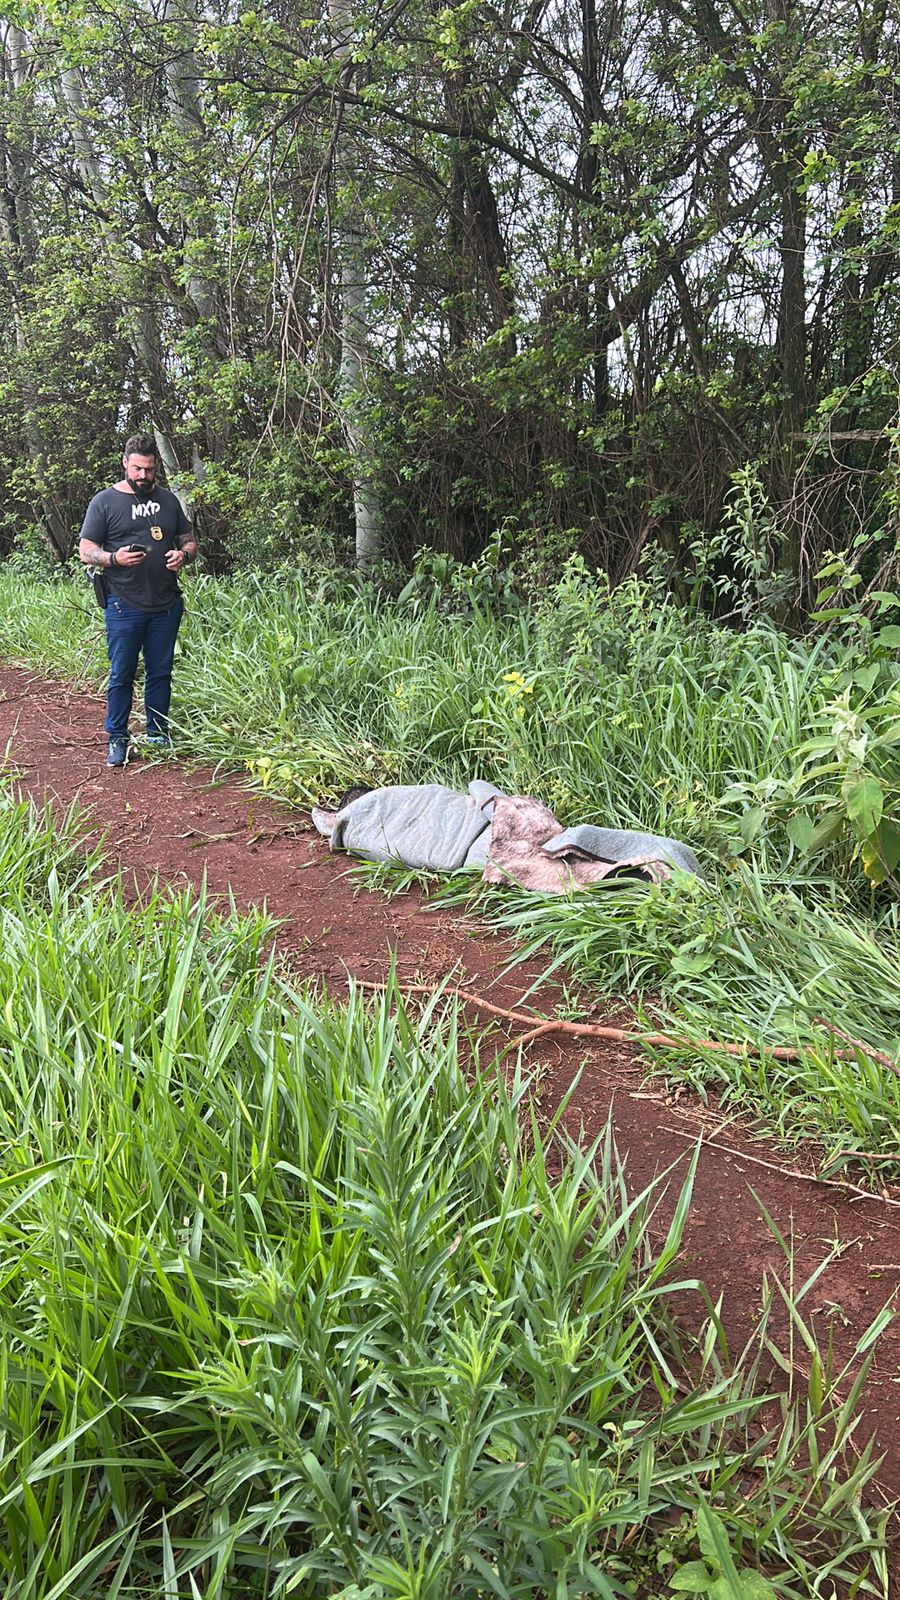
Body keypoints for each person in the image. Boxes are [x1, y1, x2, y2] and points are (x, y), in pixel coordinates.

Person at [79, 433, 198, 767]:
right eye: (137, 469)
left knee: (160, 672)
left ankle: (158, 732)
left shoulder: (169, 500)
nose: (143, 476)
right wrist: (114, 559)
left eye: (148, 469)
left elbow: (189, 541)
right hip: (123, 603)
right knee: (122, 673)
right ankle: (117, 738)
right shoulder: (104, 502)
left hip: (165, 603)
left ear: (155, 466)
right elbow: (86, 549)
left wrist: (182, 556)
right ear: (125, 464)